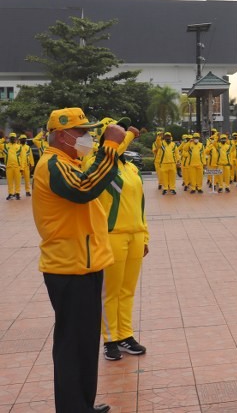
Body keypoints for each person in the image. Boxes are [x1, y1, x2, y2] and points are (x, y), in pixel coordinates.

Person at [33, 107, 125, 413]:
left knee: (85, 344)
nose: (88, 137)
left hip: (83, 265)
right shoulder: (53, 164)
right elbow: (84, 188)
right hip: (69, 269)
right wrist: (109, 146)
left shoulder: (68, 161)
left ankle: (81, 404)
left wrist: (112, 147)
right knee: (73, 346)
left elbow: (90, 176)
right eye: (82, 132)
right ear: (62, 135)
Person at [83, 118, 150, 362]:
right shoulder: (95, 164)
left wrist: (145, 235)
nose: (124, 138)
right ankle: (110, 339)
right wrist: (129, 135)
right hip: (111, 236)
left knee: (127, 290)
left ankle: (125, 334)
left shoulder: (130, 168)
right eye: (119, 135)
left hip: (135, 234)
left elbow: (140, 205)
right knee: (110, 292)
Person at [4, 132, 22, 199]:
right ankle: (10, 193)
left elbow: (22, 157)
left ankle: (17, 193)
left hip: (17, 167)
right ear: (9, 138)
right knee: (9, 181)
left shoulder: (19, 146)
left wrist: (22, 167)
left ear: (15, 138)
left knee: (18, 181)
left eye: (13, 138)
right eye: (11, 138)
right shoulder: (5, 146)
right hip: (9, 167)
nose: (12, 139)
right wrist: (3, 139)